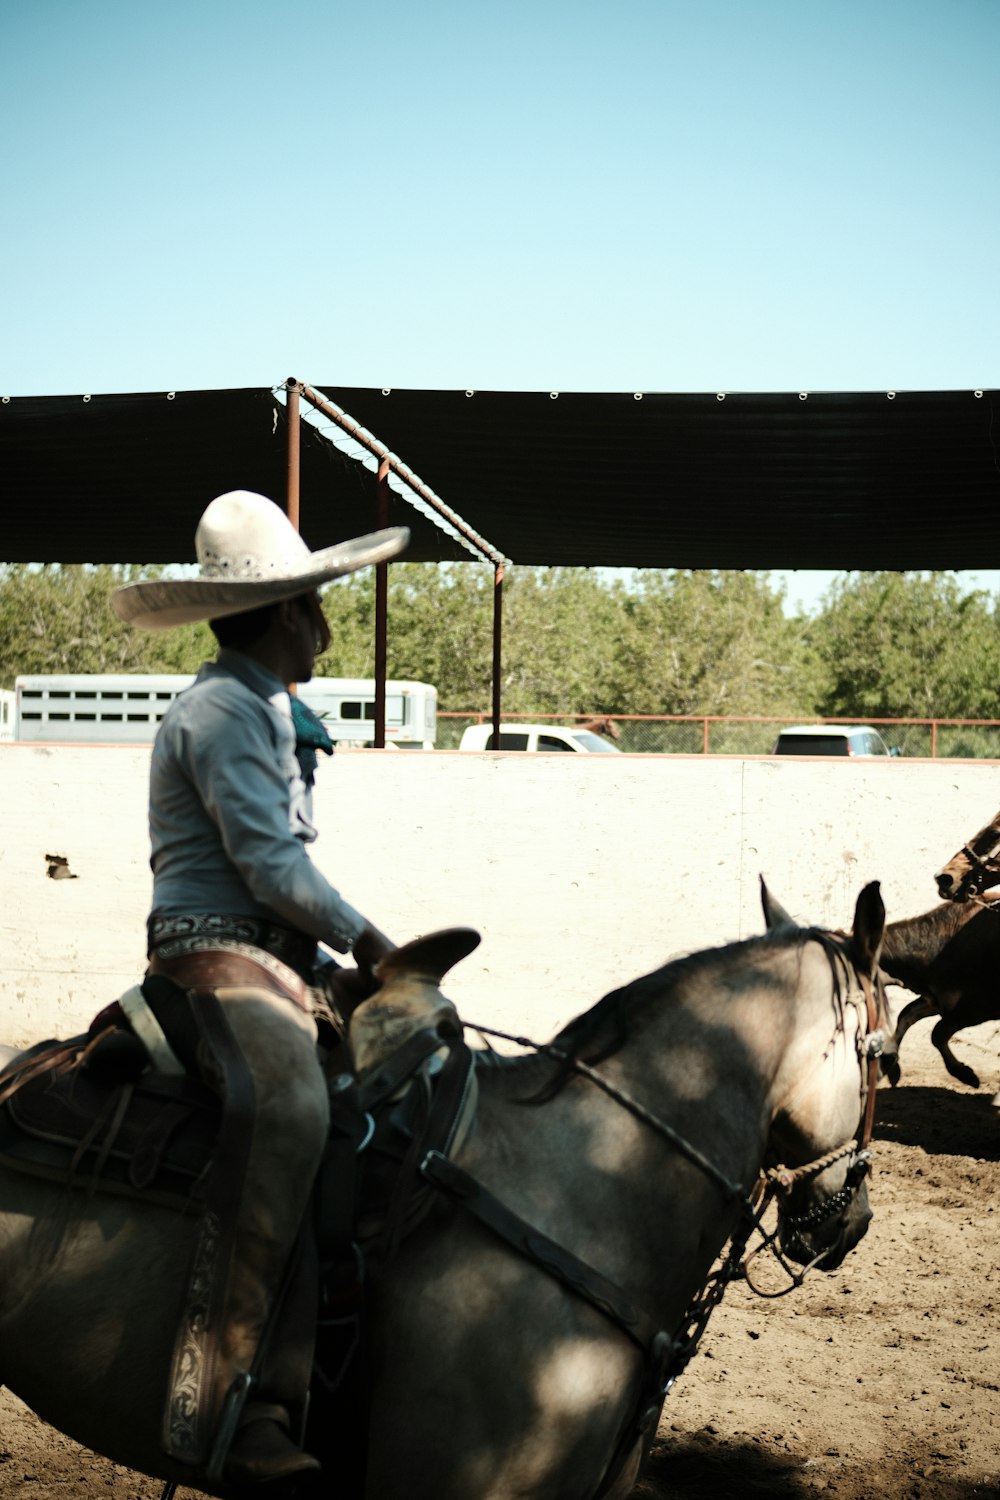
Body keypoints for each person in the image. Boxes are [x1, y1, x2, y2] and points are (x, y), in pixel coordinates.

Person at [111, 490, 409, 1493]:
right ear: (287, 614)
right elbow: (272, 869)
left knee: (424, 1062)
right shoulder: (219, 711)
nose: (327, 619)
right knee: (287, 1103)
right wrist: (375, 943)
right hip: (210, 953)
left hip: (280, 955)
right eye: (318, 603)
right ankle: (234, 1396)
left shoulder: (270, 707)